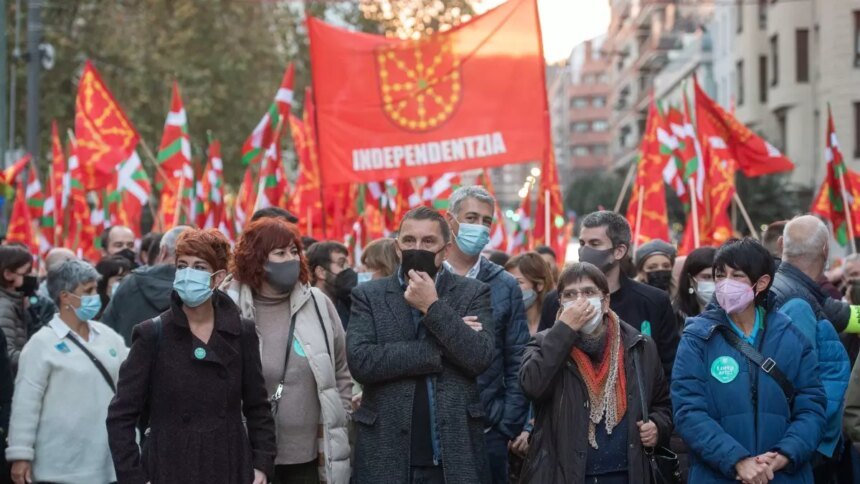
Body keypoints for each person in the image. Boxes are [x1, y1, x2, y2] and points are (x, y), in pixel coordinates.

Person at [107, 228, 276, 484]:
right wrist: (134, 477)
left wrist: (261, 465)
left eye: (199, 267)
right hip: (169, 466)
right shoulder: (152, 333)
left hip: (229, 464)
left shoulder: (241, 332)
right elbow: (121, 415)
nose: (188, 274)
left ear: (218, 277)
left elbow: (258, 407)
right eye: (182, 266)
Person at [347, 206, 494, 483]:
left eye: (428, 241)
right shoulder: (368, 295)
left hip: (453, 454)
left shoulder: (473, 292)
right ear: (397, 248)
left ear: (445, 250)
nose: (417, 248)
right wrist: (439, 349)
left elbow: (478, 357)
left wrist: (432, 306)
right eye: (409, 240)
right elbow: (362, 361)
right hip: (386, 453)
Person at [672, 238, 826, 483]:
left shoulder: (792, 337)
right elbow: (688, 411)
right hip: (718, 475)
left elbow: (812, 407)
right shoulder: (697, 338)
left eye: (737, 276)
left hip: (782, 475)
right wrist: (737, 461)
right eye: (720, 275)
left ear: (761, 282)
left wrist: (784, 455)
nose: (725, 283)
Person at [518, 262, 672, 483]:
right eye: (570, 295)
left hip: (627, 474)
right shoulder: (543, 343)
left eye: (588, 292)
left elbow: (662, 404)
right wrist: (564, 330)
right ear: (560, 303)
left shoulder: (639, 345)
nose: (580, 301)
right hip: (566, 475)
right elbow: (532, 386)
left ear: (605, 301)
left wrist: (657, 426)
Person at [228, 218, 352, 484]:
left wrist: (340, 414)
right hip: (251, 457)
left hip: (311, 459)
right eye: (280, 253)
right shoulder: (231, 308)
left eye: (294, 251)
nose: (291, 259)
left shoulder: (318, 304)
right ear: (257, 259)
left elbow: (342, 369)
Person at [6, 259, 128, 484]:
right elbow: (26, 404)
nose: (95, 297)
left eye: (95, 289)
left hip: (107, 462)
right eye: (88, 291)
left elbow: (130, 381)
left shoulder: (109, 337)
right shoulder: (41, 344)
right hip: (60, 466)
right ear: (65, 297)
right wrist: (20, 454)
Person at [443, 186, 529, 484]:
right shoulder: (426, 277)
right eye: (471, 218)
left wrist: (507, 424)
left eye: (486, 221)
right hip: (435, 428)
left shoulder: (505, 284)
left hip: (488, 429)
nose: (479, 227)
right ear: (450, 220)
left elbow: (517, 358)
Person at [539, 211, 680, 379]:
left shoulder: (653, 302)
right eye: (582, 243)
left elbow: (669, 368)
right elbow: (542, 360)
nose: (584, 250)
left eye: (595, 243)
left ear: (619, 251)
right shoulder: (556, 301)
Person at [768, 216, 851, 480]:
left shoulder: (778, 287)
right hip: (805, 451)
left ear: (781, 245)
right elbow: (801, 383)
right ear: (825, 250)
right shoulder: (797, 302)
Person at [503, 252, 555, 476]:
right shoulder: (504, 324)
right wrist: (508, 427)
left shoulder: (555, 325)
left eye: (518, 282)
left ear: (539, 285)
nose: (510, 288)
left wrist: (531, 426)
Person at [101, 225, 191, 344]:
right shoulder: (202, 291)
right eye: (118, 245)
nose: (125, 250)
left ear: (163, 251)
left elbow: (105, 334)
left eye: (130, 245)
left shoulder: (128, 283)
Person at [307, 241, 356, 329]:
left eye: (348, 265)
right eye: (341, 264)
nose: (348, 271)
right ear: (321, 272)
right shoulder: (305, 308)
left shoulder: (350, 304)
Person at [0, 245, 32, 373]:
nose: (30, 277)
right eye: (25, 273)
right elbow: (7, 354)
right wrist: (38, 358)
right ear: (8, 274)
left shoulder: (13, 302)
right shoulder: (4, 306)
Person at [674, 247, 718, 321]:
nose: (713, 283)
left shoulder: (734, 316)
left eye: (718, 276)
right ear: (691, 280)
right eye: (706, 277)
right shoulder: (675, 317)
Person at [94, 255, 132, 320]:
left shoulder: (134, 305)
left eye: (128, 278)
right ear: (104, 281)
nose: (125, 282)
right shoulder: (94, 310)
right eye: (120, 279)